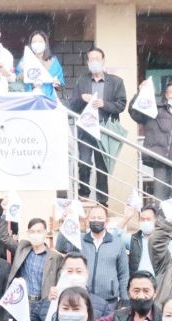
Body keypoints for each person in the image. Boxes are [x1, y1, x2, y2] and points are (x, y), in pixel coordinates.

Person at [0, 207, 62, 321]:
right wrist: (5, 212)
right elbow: (3, 236)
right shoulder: (22, 248)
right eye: (32, 231)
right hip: (24, 306)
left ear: (45, 233)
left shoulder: (55, 257)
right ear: (28, 233)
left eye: (39, 231)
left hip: (44, 305)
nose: (36, 235)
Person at [69, 48, 127, 206]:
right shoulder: (82, 81)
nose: (94, 62)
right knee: (84, 162)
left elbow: (121, 105)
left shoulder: (116, 82)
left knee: (102, 168)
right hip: (86, 131)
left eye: (97, 59)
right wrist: (82, 98)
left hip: (105, 131)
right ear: (87, 62)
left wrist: (104, 104)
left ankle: (102, 202)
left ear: (103, 61)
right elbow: (72, 106)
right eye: (91, 59)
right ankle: (84, 195)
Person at [56, 205, 129, 306]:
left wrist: (125, 299)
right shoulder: (79, 239)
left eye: (100, 218)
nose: (96, 220)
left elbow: (123, 274)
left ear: (106, 221)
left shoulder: (117, 243)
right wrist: (66, 221)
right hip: (82, 298)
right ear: (87, 220)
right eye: (93, 218)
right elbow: (60, 247)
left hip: (109, 301)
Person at [19, 30, 64, 100]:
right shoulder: (25, 60)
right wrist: (22, 71)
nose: (37, 44)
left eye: (40, 41)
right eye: (34, 42)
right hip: (28, 100)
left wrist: (57, 84)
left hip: (49, 102)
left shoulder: (53, 62)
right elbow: (16, 81)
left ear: (45, 44)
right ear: (30, 44)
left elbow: (60, 87)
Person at [127, 204, 160, 275]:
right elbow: (114, 237)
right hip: (137, 283)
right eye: (142, 219)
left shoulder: (164, 241)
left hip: (157, 283)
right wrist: (126, 218)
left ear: (156, 220)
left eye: (148, 219)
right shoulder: (133, 239)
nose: (145, 222)